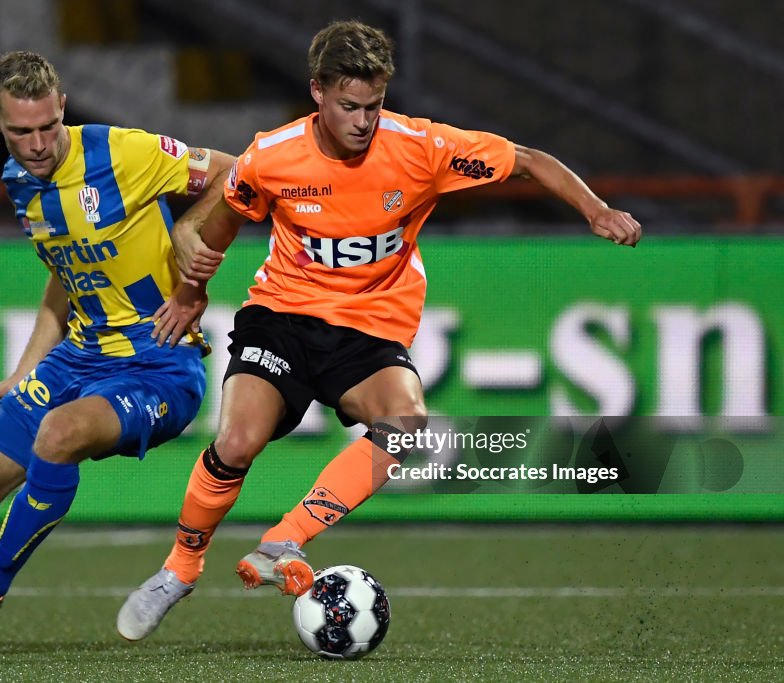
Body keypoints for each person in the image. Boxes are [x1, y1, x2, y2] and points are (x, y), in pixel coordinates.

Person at [117, 19, 641, 641]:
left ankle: (286, 538)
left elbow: (526, 161)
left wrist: (596, 209)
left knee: (407, 426)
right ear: (317, 92)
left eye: (374, 105)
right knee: (235, 443)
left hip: (369, 329)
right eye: (349, 106)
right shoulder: (272, 154)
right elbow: (226, 220)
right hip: (283, 316)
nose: (363, 121)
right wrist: (191, 292)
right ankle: (180, 568)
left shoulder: (421, 147)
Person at [0, 50, 233, 654]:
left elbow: (238, 173)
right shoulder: (19, 181)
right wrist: (24, 370)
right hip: (77, 358)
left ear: (62, 107)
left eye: (46, 127)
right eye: (19, 131)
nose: (35, 144)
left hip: (158, 361)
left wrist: (191, 250)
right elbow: (67, 276)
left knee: (57, 434)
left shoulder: (120, 152)